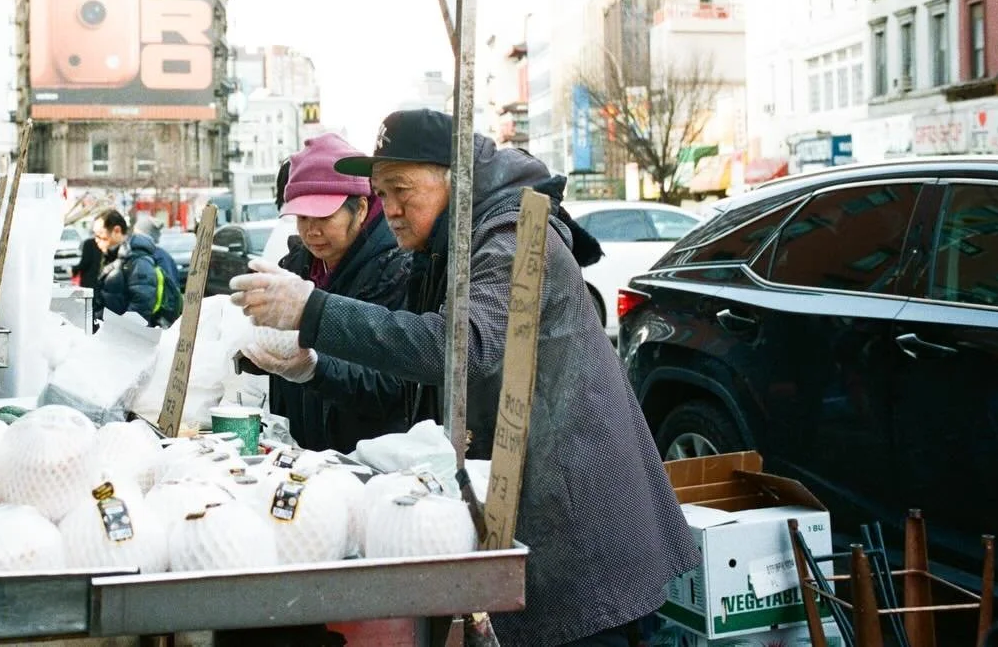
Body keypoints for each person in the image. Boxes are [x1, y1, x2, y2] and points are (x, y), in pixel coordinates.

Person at [230, 108, 698, 647]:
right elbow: (413, 377)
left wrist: (315, 312)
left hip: (578, 518)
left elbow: (468, 348)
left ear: (454, 177)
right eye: (384, 192)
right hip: (520, 508)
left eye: (402, 189)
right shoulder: (439, 247)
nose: (394, 209)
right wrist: (313, 366)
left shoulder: (513, 232)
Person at [240, 134, 415, 453]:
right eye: (303, 218)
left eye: (324, 217)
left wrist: (314, 368)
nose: (312, 231)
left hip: (371, 464)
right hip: (304, 457)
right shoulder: (294, 267)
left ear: (360, 209)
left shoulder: (397, 271)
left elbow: (393, 386)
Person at [93, 208, 183, 327]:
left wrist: (120, 331)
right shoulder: (115, 257)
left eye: (100, 236)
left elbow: (142, 303)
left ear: (116, 230)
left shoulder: (138, 259)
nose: (96, 240)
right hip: (112, 335)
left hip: (124, 339)